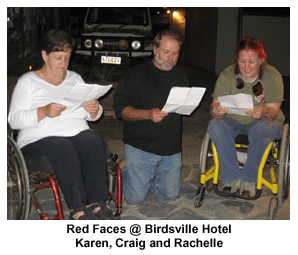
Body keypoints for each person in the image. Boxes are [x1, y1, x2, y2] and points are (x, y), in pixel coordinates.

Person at [8, 30, 114, 220]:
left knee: (93, 140)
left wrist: (94, 109)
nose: (63, 63)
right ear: (44, 55)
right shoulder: (28, 82)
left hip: (76, 132)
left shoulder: (74, 78)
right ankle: (78, 209)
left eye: (67, 58)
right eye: (58, 58)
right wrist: (43, 111)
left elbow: (91, 116)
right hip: (39, 139)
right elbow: (13, 119)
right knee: (63, 147)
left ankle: (97, 203)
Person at [113, 30, 190, 204]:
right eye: (165, 52)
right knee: (135, 198)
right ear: (155, 50)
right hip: (141, 146)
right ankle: (125, 170)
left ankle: (144, 175)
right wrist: (147, 114)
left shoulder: (181, 76)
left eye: (175, 53)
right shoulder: (136, 74)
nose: (170, 57)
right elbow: (120, 110)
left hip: (170, 148)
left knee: (169, 195)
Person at [207, 37, 285, 197]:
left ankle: (249, 179)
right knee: (215, 125)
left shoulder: (273, 76)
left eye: (252, 62)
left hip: (265, 122)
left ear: (262, 60)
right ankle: (231, 178)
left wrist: (264, 112)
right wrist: (217, 111)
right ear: (237, 59)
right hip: (234, 120)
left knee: (263, 129)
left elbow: (274, 112)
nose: (246, 67)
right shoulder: (227, 75)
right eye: (242, 61)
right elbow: (214, 108)